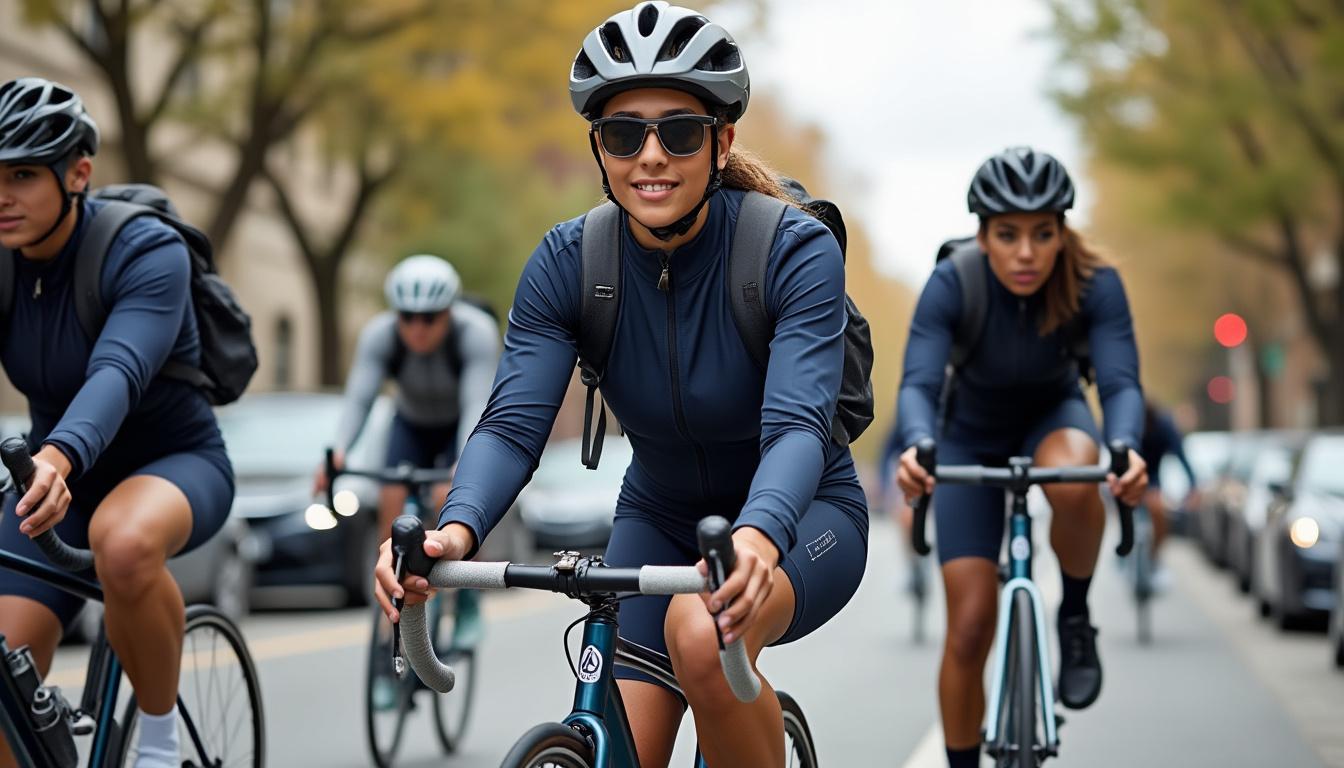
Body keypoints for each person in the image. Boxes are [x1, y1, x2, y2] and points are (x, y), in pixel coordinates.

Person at [375, 3, 868, 765]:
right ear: (598, 147)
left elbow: (798, 426)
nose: (650, 156)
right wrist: (455, 529)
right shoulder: (569, 261)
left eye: (677, 131)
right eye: (622, 132)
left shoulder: (791, 250)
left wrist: (758, 533)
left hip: (800, 515)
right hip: (659, 516)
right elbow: (511, 427)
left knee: (702, 634)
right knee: (616, 743)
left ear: (721, 139)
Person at [0, 77, 234, 768]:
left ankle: (158, 743)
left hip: (174, 462)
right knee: (7, 682)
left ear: (77, 174)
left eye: (22, 175)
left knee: (124, 543)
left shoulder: (143, 250)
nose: (2, 195)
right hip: (52, 481)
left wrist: (61, 456)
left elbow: (119, 370)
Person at [893, 147, 1148, 768]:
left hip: (1052, 419)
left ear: (1063, 232)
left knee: (1073, 475)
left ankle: (1077, 614)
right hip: (968, 437)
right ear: (982, 236)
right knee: (970, 625)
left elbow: (1117, 385)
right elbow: (918, 385)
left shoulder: (1095, 284)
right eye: (1008, 235)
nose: (1027, 252)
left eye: (1042, 234)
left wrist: (1126, 449)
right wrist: (917, 444)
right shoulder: (953, 280)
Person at [314, 254, 500, 683]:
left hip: (460, 424)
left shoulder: (475, 333)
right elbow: (359, 397)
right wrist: (339, 452)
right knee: (392, 505)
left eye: (430, 318)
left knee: (448, 497)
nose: (417, 327)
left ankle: (468, 596)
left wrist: (463, 463)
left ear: (449, 311)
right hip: (411, 426)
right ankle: (389, 631)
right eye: (408, 317)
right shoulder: (380, 335)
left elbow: (477, 403)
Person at [1139, 398, 1198, 570]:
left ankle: (1155, 556)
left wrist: (1193, 486)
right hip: (1128, 474)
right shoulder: (1129, 426)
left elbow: (1181, 456)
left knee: (1159, 512)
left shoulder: (1164, 426)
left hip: (1153, 477)